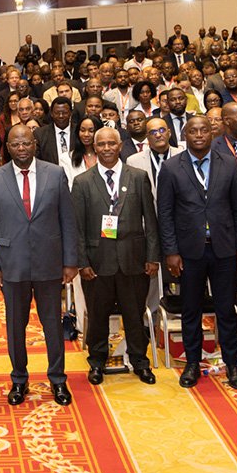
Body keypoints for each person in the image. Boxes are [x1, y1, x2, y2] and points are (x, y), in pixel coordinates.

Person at [0, 124, 78, 406]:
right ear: (7, 147)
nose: (21, 149)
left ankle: (58, 380)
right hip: (12, 265)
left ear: (35, 144)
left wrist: (70, 260)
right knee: (15, 326)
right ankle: (19, 380)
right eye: (15, 144)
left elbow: (67, 220)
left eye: (26, 143)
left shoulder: (55, 173)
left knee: (52, 324)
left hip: (50, 262)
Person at [157, 115, 237, 390]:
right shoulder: (172, 168)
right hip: (189, 253)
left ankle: (233, 365)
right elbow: (165, 213)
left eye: (204, 130)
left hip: (224, 250)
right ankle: (192, 363)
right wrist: (171, 251)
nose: (198, 135)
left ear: (212, 133)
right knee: (191, 311)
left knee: (226, 311)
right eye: (192, 131)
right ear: (184, 135)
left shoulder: (229, 163)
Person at [71, 128, 159, 385]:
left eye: (112, 143)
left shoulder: (139, 177)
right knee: (97, 317)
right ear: (95, 148)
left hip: (134, 261)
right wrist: (82, 263)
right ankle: (97, 362)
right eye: (102, 144)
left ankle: (139, 362)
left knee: (134, 314)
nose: (107, 148)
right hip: (97, 265)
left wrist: (153, 257)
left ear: (121, 146)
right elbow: (77, 227)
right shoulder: (83, 182)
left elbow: (150, 223)